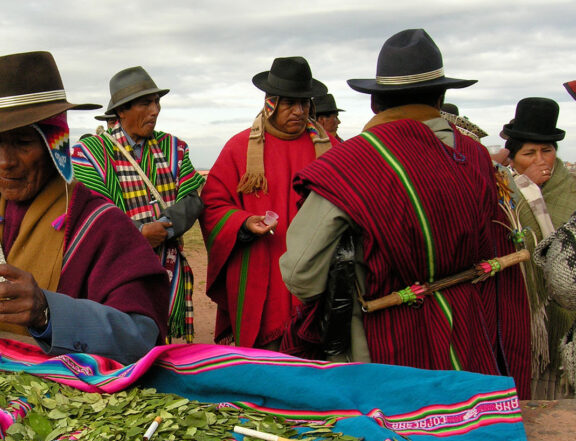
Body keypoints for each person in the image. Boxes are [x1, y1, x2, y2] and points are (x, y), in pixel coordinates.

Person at [280, 29, 531, 397]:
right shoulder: (476, 157)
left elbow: (301, 275)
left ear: (374, 103)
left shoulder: (352, 165)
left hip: (385, 348)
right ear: (441, 97)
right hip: (468, 344)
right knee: (462, 436)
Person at [0, 51, 169, 364]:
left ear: (55, 146)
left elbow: (142, 335)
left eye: (23, 143)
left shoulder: (99, 225)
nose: (5, 162)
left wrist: (47, 313)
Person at [200, 56, 331, 348]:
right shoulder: (239, 148)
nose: (299, 111)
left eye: (305, 103)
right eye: (289, 103)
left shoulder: (329, 149)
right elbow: (213, 204)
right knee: (265, 360)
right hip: (261, 268)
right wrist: (242, 222)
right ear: (271, 103)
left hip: (317, 274)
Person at [71, 66, 204, 342]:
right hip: (115, 269)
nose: (155, 110)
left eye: (156, 102)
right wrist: (139, 233)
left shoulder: (174, 149)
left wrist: (165, 228)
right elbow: (93, 211)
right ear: (121, 111)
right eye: (145, 103)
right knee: (123, 341)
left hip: (167, 266)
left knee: (162, 347)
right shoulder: (90, 154)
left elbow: (192, 199)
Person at [499, 97, 576, 399]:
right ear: (513, 158)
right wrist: (524, 191)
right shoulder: (503, 190)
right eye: (529, 153)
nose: (540, 160)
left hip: (566, 313)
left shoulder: (571, 190)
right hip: (521, 311)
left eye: (547, 151)